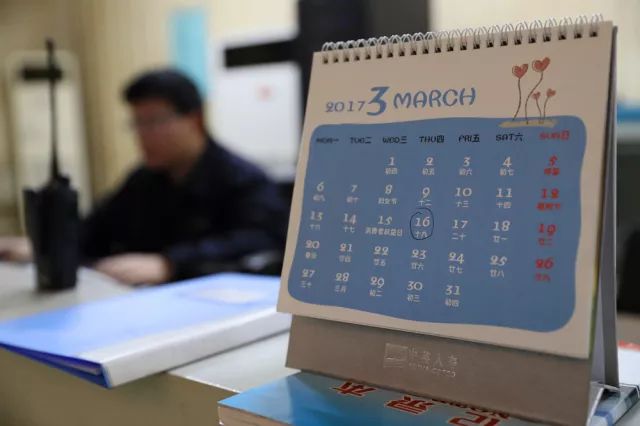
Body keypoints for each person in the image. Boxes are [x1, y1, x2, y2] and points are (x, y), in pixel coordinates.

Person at [0, 69, 289, 285]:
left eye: (154, 122)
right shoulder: (143, 180)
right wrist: (48, 247)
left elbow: (263, 241)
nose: (143, 135)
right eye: (137, 123)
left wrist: (171, 264)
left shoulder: (243, 180)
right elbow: (97, 228)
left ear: (195, 119)